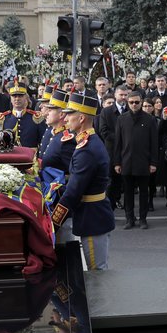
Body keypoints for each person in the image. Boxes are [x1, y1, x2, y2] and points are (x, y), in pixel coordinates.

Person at [54, 92, 115, 268]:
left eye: (69, 114)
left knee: (97, 273)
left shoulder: (87, 149)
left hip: (92, 218)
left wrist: (53, 223)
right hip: (93, 214)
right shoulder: (87, 142)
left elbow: (73, 192)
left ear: (81, 118)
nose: (64, 117)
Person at [113, 91, 158, 230]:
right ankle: (129, 218)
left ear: (141, 102)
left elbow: (154, 143)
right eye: (131, 102)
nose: (134, 105)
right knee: (128, 193)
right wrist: (117, 162)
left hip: (144, 162)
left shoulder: (150, 119)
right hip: (126, 162)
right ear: (127, 103)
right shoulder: (122, 119)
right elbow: (118, 143)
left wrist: (153, 163)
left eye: (137, 102)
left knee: (144, 193)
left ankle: (143, 219)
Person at [98, 85, 128, 209]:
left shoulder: (131, 109)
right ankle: (110, 206)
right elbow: (103, 131)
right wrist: (121, 138)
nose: (123, 97)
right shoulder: (106, 111)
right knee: (111, 181)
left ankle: (126, 207)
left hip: (128, 151)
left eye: (126, 95)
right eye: (121, 95)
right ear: (115, 95)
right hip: (112, 151)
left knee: (126, 182)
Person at [0, 80, 47, 149]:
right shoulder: (3, 118)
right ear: (10, 98)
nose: (17, 99)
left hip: (30, 158)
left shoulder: (36, 118)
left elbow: (43, 143)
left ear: (26, 97)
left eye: (20, 96)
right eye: (14, 96)